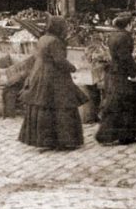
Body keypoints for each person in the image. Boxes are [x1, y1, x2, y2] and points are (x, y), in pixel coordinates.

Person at [18, 16, 88, 150]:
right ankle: (63, 140)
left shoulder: (43, 38)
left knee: (44, 105)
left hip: (39, 75)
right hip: (53, 78)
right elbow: (59, 61)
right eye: (63, 27)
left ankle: (46, 140)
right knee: (61, 105)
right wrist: (73, 68)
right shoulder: (55, 41)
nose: (65, 30)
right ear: (58, 27)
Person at [95, 16, 136, 145]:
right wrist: (134, 71)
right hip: (123, 74)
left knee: (119, 103)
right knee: (128, 102)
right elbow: (125, 57)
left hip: (115, 72)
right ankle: (123, 135)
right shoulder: (125, 36)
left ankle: (115, 134)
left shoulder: (113, 36)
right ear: (128, 25)